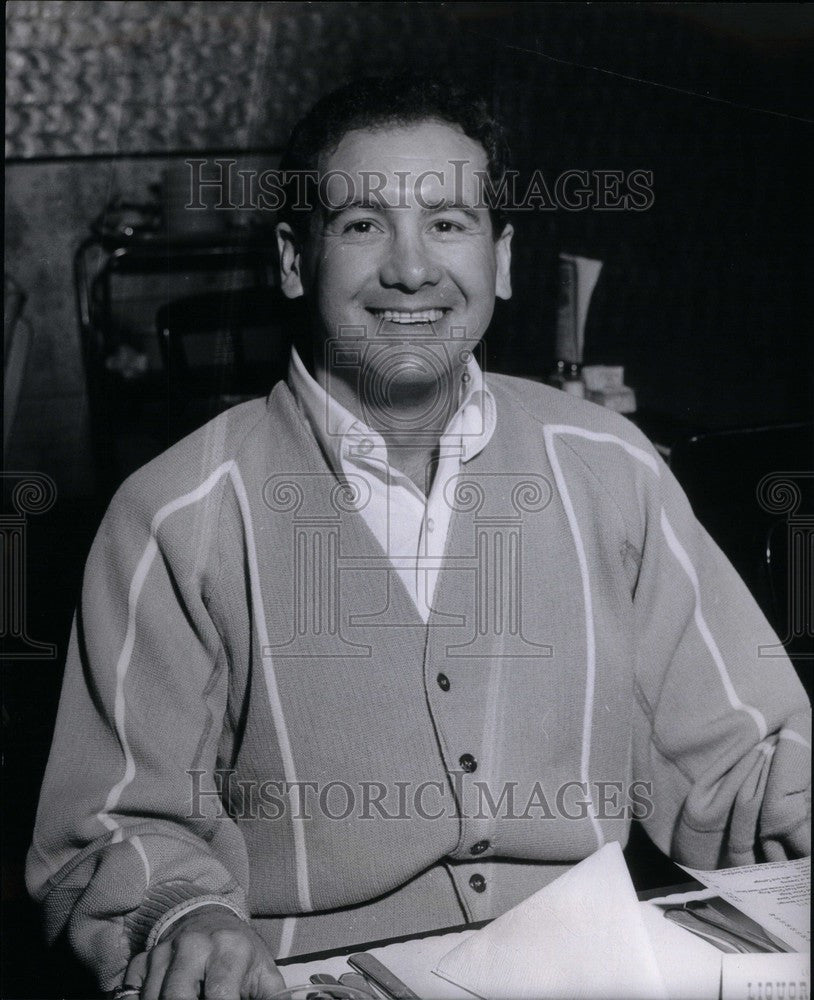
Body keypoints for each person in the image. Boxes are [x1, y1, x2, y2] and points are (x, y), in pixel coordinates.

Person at [27, 75, 810, 999]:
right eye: (362, 225)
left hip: (592, 966)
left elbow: (739, 765)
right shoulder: (174, 514)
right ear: (292, 259)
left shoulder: (612, 465)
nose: (412, 268)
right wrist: (188, 915)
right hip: (304, 976)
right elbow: (111, 826)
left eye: (449, 223)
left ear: (502, 259)